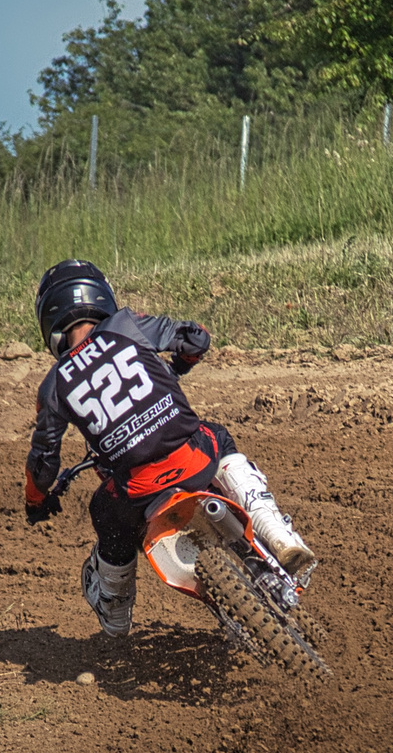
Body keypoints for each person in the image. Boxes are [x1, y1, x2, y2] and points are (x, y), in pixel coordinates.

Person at [21, 259, 315, 638]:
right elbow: (196, 338)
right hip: (194, 460)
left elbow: (43, 461)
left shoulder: (53, 386)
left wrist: (36, 501)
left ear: (51, 321)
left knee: (105, 515)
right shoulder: (127, 325)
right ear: (101, 299)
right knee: (219, 437)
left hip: (139, 490)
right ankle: (277, 533)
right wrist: (181, 364)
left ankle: (114, 605)